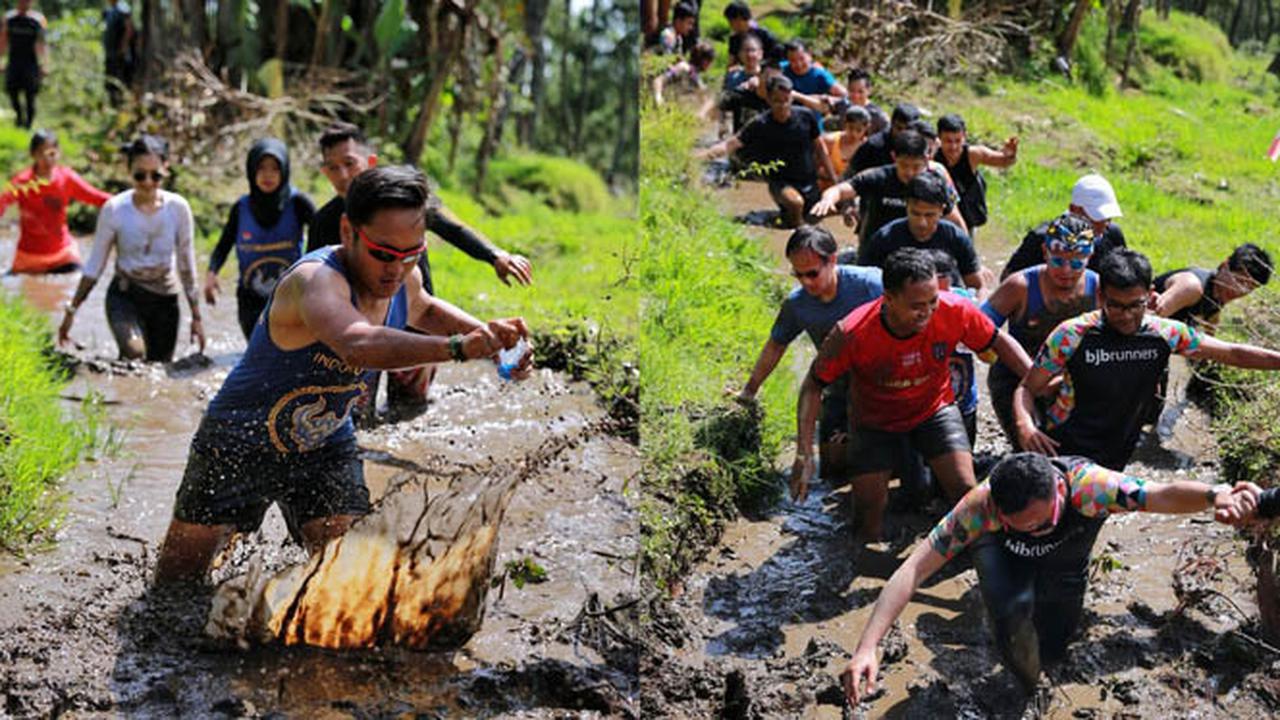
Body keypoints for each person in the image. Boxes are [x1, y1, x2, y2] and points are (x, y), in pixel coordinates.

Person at [153, 165, 532, 584]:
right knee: (174, 590)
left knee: (351, 584)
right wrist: (460, 349)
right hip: (236, 444)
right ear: (349, 231)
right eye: (384, 254)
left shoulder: (405, 277)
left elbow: (423, 308)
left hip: (323, 446)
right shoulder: (315, 281)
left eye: (412, 255)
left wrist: (493, 341)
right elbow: (357, 343)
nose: (396, 270)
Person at [840, 452, 1260, 703]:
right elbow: (912, 569)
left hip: (1068, 559)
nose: (1036, 528)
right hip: (1006, 558)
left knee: (1056, 641)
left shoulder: (1090, 489)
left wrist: (1213, 494)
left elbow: (1159, 493)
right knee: (1011, 618)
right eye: (1023, 524)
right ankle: (1017, 678)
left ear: (1060, 494)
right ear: (1000, 512)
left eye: (1043, 522)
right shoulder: (979, 508)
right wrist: (867, 647)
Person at [791, 248, 1033, 542]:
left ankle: (981, 556)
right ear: (889, 298)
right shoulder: (853, 332)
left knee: (966, 492)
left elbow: (1000, 341)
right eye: (917, 305)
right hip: (874, 422)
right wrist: (804, 453)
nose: (929, 312)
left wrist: (1035, 381)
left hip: (934, 409)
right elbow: (813, 385)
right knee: (868, 513)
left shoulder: (954, 310)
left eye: (933, 301)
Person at [309, 122, 531, 410]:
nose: (343, 175)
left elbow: (451, 231)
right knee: (355, 413)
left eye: (349, 163)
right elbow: (316, 293)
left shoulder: (406, 203)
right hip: (360, 327)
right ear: (346, 231)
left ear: (370, 161)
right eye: (382, 251)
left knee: (409, 408)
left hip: (415, 324)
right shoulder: (323, 224)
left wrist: (493, 255)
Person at [1014, 249, 1280, 471]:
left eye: (1135, 305)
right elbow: (1027, 388)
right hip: (1065, 447)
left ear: (1149, 294)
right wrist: (1025, 425)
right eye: (1116, 305)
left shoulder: (1165, 333)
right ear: (1100, 296)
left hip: (1116, 453)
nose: (1127, 316)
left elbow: (1232, 352)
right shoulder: (1071, 335)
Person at [737, 226, 882, 482]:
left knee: (882, 465)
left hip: (883, 385)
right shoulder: (798, 304)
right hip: (837, 389)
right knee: (833, 469)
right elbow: (775, 346)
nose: (806, 282)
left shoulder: (870, 285)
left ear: (833, 260)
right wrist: (749, 390)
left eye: (813, 274)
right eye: (798, 274)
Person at [58, 135, 204, 362]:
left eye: (155, 176)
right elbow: (95, 264)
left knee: (159, 368)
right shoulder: (115, 209)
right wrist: (72, 310)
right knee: (134, 353)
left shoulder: (178, 209)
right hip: (125, 295)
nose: (147, 182)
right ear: (129, 171)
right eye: (140, 175)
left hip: (165, 299)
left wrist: (197, 316)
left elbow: (186, 265)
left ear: (165, 170)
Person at [980, 214, 1098, 447]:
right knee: (1032, 449)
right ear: (1045, 252)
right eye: (1057, 261)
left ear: (1089, 258)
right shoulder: (1020, 286)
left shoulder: (1098, 288)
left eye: (1076, 263)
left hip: (1070, 382)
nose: (1066, 270)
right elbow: (979, 326)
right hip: (1015, 377)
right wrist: (1035, 378)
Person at [204, 138, 316, 340]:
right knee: (257, 352)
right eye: (261, 168)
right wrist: (211, 274)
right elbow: (223, 245)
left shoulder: (299, 204)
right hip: (250, 299)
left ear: (284, 171)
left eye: (275, 168)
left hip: (291, 296)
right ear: (251, 171)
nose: (268, 175)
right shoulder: (241, 208)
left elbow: (322, 236)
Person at [697, 75, 833, 228]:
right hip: (781, 184)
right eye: (777, 101)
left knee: (831, 208)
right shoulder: (760, 124)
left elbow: (820, 148)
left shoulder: (806, 116)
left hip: (809, 181)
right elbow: (730, 145)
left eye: (786, 100)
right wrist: (699, 157)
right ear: (768, 100)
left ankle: (781, 220)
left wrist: (833, 178)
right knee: (796, 204)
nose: (782, 106)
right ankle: (798, 233)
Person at [811, 130, 966, 244]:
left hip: (919, 251)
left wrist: (968, 253)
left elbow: (956, 220)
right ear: (894, 157)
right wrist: (827, 199)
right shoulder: (878, 177)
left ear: (927, 160)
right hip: (876, 248)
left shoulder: (936, 182)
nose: (910, 172)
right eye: (904, 165)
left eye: (916, 167)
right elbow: (840, 189)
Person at [856, 172, 987, 297]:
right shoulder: (885, 238)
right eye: (915, 213)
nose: (922, 223)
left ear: (941, 210)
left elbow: (977, 286)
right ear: (906, 206)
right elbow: (863, 285)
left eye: (929, 215)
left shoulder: (956, 238)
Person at [0, 129, 110, 274]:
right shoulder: (22, 182)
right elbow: (2, 202)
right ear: (33, 155)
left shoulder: (67, 178)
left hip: (63, 255)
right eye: (41, 154)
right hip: (28, 257)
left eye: (52, 153)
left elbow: (96, 197)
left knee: (78, 283)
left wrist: (131, 200)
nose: (48, 160)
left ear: (59, 152)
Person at [1002, 174, 1126, 279]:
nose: (1104, 223)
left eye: (1108, 217)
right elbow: (1008, 279)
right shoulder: (1041, 238)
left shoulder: (1112, 235)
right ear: (1073, 209)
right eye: (1098, 216)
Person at [934, 113, 1018, 239]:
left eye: (958, 141)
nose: (953, 147)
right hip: (938, 216)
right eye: (948, 141)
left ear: (965, 137)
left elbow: (1003, 161)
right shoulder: (932, 155)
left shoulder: (973, 155)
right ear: (939, 138)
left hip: (967, 217)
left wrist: (1010, 154)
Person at [1152, 243, 1272, 331]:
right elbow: (1146, 320)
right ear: (1225, 265)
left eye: (1250, 288)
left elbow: (1211, 323)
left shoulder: (1218, 295)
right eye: (1239, 281)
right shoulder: (1191, 287)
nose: (1240, 291)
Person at [0, 0, 46, 129]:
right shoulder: (9, 18)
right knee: (12, 91)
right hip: (14, 61)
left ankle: (28, 124)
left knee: (30, 95)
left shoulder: (38, 20)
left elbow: (41, 43)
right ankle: (19, 117)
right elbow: (3, 40)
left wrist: (44, 64)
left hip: (31, 63)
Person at [715, 33, 768, 134]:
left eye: (753, 50)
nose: (749, 55)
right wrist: (722, 124)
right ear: (739, 54)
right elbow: (723, 103)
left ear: (760, 53)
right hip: (739, 132)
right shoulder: (732, 76)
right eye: (745, 50)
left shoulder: (768, 76)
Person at [850, 103, 921, 175]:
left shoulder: (918, 147)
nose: (902, 133)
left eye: (908, 129)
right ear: (892, 124)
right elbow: (851, 174)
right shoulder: (873, 146)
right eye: (899, 128)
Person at [817, 105, 868, 191]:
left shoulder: (867, 146)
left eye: (859, 130)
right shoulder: (830, 141)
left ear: (866, 128)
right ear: (845, 124)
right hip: (823, 190)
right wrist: (831, 176)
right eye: (850, 128)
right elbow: (813, 168)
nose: (854, 134)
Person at [653, 40, 714, 106]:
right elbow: (659, 80)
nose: (710, 65)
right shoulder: (683, 68)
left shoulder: (697, 79)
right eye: (710, 61)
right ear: (704, 61)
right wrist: (658, 97)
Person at [781, 40, 846, 100]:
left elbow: (844, 95)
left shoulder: (819, 75)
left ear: (809, 56)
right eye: (793, 60)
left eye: (802, 59)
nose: (799, 64)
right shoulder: (783, 69)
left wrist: (825, 98)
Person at [102, 0, 134, 107]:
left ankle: (124, 106)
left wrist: (123, 47)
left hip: (120, 55)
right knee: (111, 83)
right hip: (111, 54)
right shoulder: (110, 11)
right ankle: (114, 107)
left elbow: (129, 28)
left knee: (121, 81)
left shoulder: (123, 8)